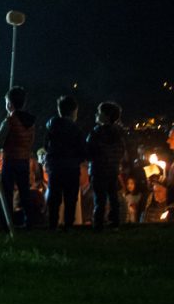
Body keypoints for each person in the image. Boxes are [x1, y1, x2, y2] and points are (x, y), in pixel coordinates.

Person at [0, 86, 36, 227]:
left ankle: (7, 222)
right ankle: (29, 221)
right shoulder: (31, 122)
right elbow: (30, 141)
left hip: (10, 160)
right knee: (25, 192)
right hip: (24, 160)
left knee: (7, 193)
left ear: (9, 104)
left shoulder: (9, 121)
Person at [43, 94, 85, 230]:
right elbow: (82, 149)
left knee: (54, 197)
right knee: (70, 198)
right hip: (72, 167)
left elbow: (46, 145)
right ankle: (68, 225)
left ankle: (53, 224)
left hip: (55, 167)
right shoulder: (76, 129)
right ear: (74, 112)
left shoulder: (52, 126)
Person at [86, 101, 126, 230]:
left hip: (98, 170)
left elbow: (88, 151)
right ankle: (115, 221)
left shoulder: (96, 133)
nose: (96, 114)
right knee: (113, 197)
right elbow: (122, 151)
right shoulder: (119, 134)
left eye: (99, 112)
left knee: (99, 198)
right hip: (113, 170)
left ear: (107, 116)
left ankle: (98, 222)